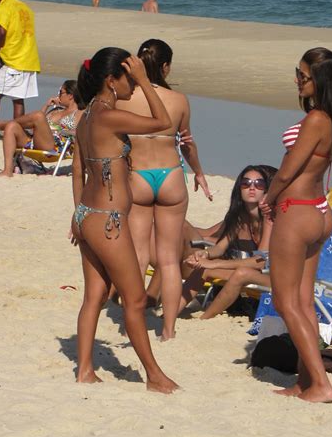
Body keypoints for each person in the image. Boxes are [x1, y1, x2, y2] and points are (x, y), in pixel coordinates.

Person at [71, 47, 178, 393]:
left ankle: (85, 370)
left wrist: (76, 215)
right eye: (128, 78)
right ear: (111, 80)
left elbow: (78, 173)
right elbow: (164, 123)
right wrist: (149, 83)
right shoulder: (107, 117)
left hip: (88, 216)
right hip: (108, 222)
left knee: (94, 298)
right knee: (133, 300)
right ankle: (154, 376)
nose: (133, 83)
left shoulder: (86, 117)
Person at [260, 47, 332, 403]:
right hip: (317, 210)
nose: (296, 79)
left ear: (320, 80)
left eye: (303, 75)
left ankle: (322, 384)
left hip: (297, 211)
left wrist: (269, 198)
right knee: (303, 301)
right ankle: (305, 381)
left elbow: (288, 169)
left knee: (285, 303)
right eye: (297, 72)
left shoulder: (316, 120)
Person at [116, 38, 211, 341]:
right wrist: (198, 172)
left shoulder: (124, 98)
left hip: (138, 175)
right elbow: (188, 144)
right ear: (167, 67)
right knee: (169, 259)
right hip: (170, 174)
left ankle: (133, 319)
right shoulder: (179, 100)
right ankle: (168, 329)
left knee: (140, 253)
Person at [178, 165, 275, 318]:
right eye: (246, 183)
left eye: (258, 184)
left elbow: (260, 262)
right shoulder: (241, 217)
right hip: (253, 274)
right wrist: (205, 254)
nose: (252, 188)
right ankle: (171, 314)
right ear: (239, 188)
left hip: (276, 278)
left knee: (241, 273)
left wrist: (214, 263)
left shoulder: (270, 219)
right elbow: (220, 248)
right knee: (203, 269)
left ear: (265, 190)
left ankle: (205, 318)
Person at [0, 80, 83, 177]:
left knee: (38, 116)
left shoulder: (79, 112)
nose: (58, 95)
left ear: (70, 96)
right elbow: (37, 123)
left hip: (55, 146)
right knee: (12, 127)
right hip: (35, 141)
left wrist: (59, 131)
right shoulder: (56, 111)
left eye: (61, 92)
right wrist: (46, 106)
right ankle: (7, 171)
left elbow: (81, 133)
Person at [0, 0, 40, 119]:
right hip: (28, 60)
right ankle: (17, 132)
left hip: (14, 61)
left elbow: (1, 32)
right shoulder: (24, 7)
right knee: (17, 100)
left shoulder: (5, 6)